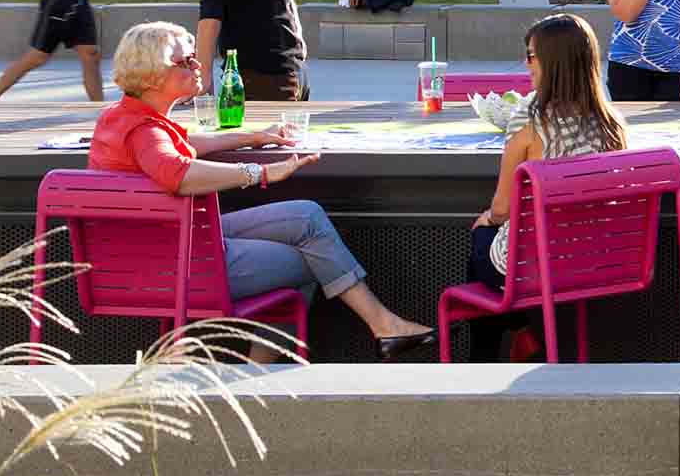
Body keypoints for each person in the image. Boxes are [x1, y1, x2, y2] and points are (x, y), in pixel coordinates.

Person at [91, 21, 433, 359]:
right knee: (316, 257)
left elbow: (182, 144)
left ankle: (384, 327)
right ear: (151, 74)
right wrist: (260, 172)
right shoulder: (145, 132)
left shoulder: (123, 119)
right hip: (177, 264)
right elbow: (176, 172)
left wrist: (252, 137)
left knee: (307, 217)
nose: (199, 65)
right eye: (186, 62)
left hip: (167, 247)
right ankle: (266, 372)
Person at [465, 13, 628, 359]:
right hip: (594, 260)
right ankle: (519, 334)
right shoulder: (610, 123)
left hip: (536, 265)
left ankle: (486, 356)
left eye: (531, 56)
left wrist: (488, 220)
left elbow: (502, 209)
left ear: (552, 62)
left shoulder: (529, 118)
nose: (526, 65)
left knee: (480, 239)